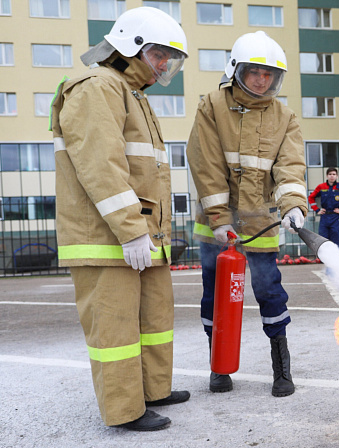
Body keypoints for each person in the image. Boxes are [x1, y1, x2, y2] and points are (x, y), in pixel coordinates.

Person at [50, 7, 190, 431]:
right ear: (131, 47)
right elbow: (102, 166)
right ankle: (125, 410)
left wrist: (148, 233)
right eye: (159, 55)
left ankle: (153, 389)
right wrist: (132, 230)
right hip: (107, 237)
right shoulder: (97, 87)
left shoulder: (131, 94)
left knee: (153, 317)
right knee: (116, 330)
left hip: (138, 235)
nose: (165, 65)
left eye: (169, 58)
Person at [187, 31, 307, 398]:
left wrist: (294, 206)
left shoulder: (285, 117)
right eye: (255, 71)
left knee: (270, 291)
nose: (262, 80)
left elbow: (290, 167)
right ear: (237, 71)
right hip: (216, 224)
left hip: (261, 224)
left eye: (269, 74)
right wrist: (220, 219)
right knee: (215, 296)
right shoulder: (212, 105)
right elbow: (205, 165)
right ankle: (218, 367)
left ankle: (281, 369)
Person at [308, 167, 339, 246]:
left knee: (335, 241)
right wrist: (317, 210)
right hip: (324, 217)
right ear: (327, 176)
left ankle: (334, 257)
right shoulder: (321, 187)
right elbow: (311, 197)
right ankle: (323, 258)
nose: (332, 176)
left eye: (334, 174)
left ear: (337, 176)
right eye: (330, 174)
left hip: (336, 218)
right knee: (323, 241)